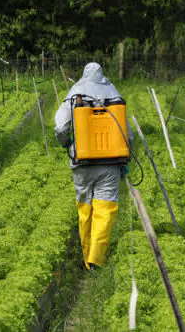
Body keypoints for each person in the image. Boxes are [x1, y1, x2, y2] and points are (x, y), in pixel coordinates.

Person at [54, 62, 131, 272]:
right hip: (111, 162)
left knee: (85, 207)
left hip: (83, 161)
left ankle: (86, 257)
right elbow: (126, 131)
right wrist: (127, 157)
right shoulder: (114, 94)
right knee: (105, 209)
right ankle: (97, 259)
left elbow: (61, 126)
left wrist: (66, 144)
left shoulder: (75, 93)